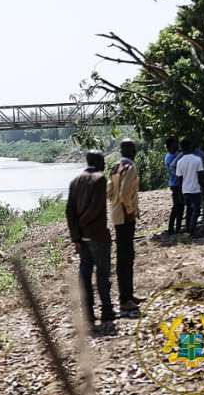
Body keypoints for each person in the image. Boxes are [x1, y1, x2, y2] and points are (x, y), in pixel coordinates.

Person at [66, 150, 115, 325]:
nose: (105, 164)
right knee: (102, 274)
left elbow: (69, 211)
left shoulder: (75, 181)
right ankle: (107, 310)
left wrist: (76, 236)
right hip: (97, 235)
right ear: (98, 161)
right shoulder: (100, 179)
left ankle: (87, 314)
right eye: (103, 160)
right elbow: (95, 209)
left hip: (82, 238)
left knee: (85, 275)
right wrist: (82, 227)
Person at [107, 139, 141, 314]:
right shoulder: (130, 168)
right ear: (133, 151)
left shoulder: (115, 166)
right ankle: (125, 299)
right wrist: (130, 210)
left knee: (125, 256)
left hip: (116, 215)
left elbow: (110, 192)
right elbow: (124, 194)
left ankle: (128, 295)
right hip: (125, 217)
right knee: (126, 257)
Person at [176, 138, 204, 236]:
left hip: (185, 190)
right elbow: (200, 175)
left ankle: (189, 229)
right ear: (190, 147)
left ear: (181, 148)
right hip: (196, 189)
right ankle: (192, 229)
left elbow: (179, 179)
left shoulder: (179, 162)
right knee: (196, 210)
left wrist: (180, 192)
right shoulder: (197, 159)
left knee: (188, 210)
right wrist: (203, 187)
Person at [164, 137, 184, 235]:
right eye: (175, 144)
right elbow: (174, 171)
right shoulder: (170, 157)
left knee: (180, 206)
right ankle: (172, 229)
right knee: (177, 207)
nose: (177, 145)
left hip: (176, 184)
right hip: (176, 184)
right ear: (170, 146)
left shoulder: (173, 154)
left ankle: (176, 228)